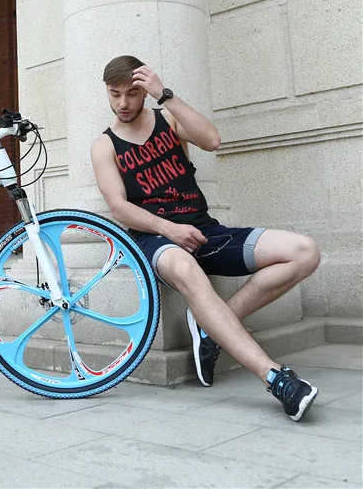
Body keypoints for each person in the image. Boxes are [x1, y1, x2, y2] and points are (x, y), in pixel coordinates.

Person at [90, 55, 321, 421]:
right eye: (114, 94)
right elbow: (119, 208)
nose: (123, 103)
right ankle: (276, 378)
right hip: (155, 238)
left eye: (132, 94)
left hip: (204, 229)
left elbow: (211, 139)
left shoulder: (167, 118)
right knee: (184, 266)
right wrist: (169, 229)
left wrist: (165, 95)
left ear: (144, 92)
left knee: (305, 251)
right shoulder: (105, 146)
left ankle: (208, 323)